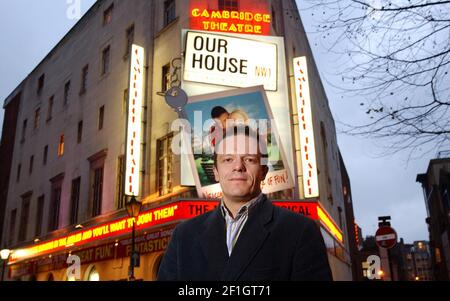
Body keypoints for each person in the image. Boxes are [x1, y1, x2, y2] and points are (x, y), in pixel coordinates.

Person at [157, 125, 333, 281]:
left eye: (249, 159)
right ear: (216, 172)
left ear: (263, 171)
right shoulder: (184, 235)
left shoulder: (300, 231)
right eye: (228, 159)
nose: (238, 166)